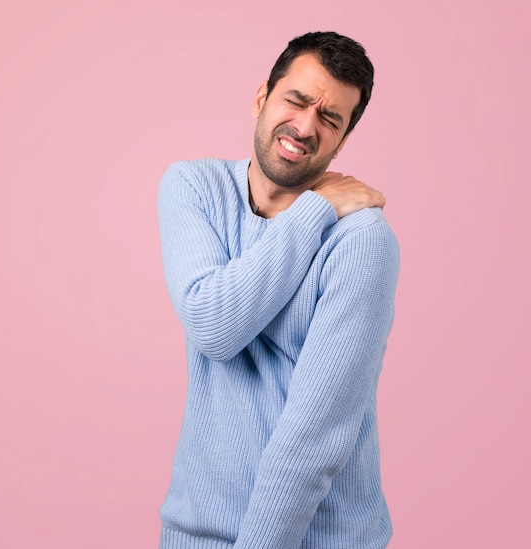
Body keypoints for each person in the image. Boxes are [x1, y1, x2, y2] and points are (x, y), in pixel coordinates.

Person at [158, 31, 400, 549]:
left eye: (330, 119)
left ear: (341, 140)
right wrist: (314, 210)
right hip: (191, 534)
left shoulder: (361, 241)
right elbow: (212, 325)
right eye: (297, 100)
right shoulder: (194, 188)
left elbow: (313, 439)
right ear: (262, 97)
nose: (306, 126)